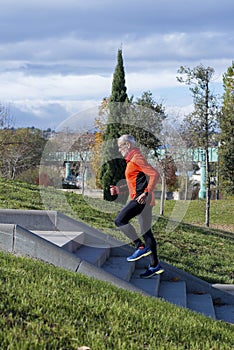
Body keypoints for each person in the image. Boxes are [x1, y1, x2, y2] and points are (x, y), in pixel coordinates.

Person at [110, 134, 164, 278]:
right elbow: (135, 184)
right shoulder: (132, 160)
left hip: (142, 200)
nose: (119, 150)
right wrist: (119, 190)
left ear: (128, 145)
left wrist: (146, 193)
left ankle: (139, 246)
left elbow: (154, 175)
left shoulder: (136, 158)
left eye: (120, 147)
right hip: (143, 199)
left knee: (119, 220)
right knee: (146, 232)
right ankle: (154, 265)